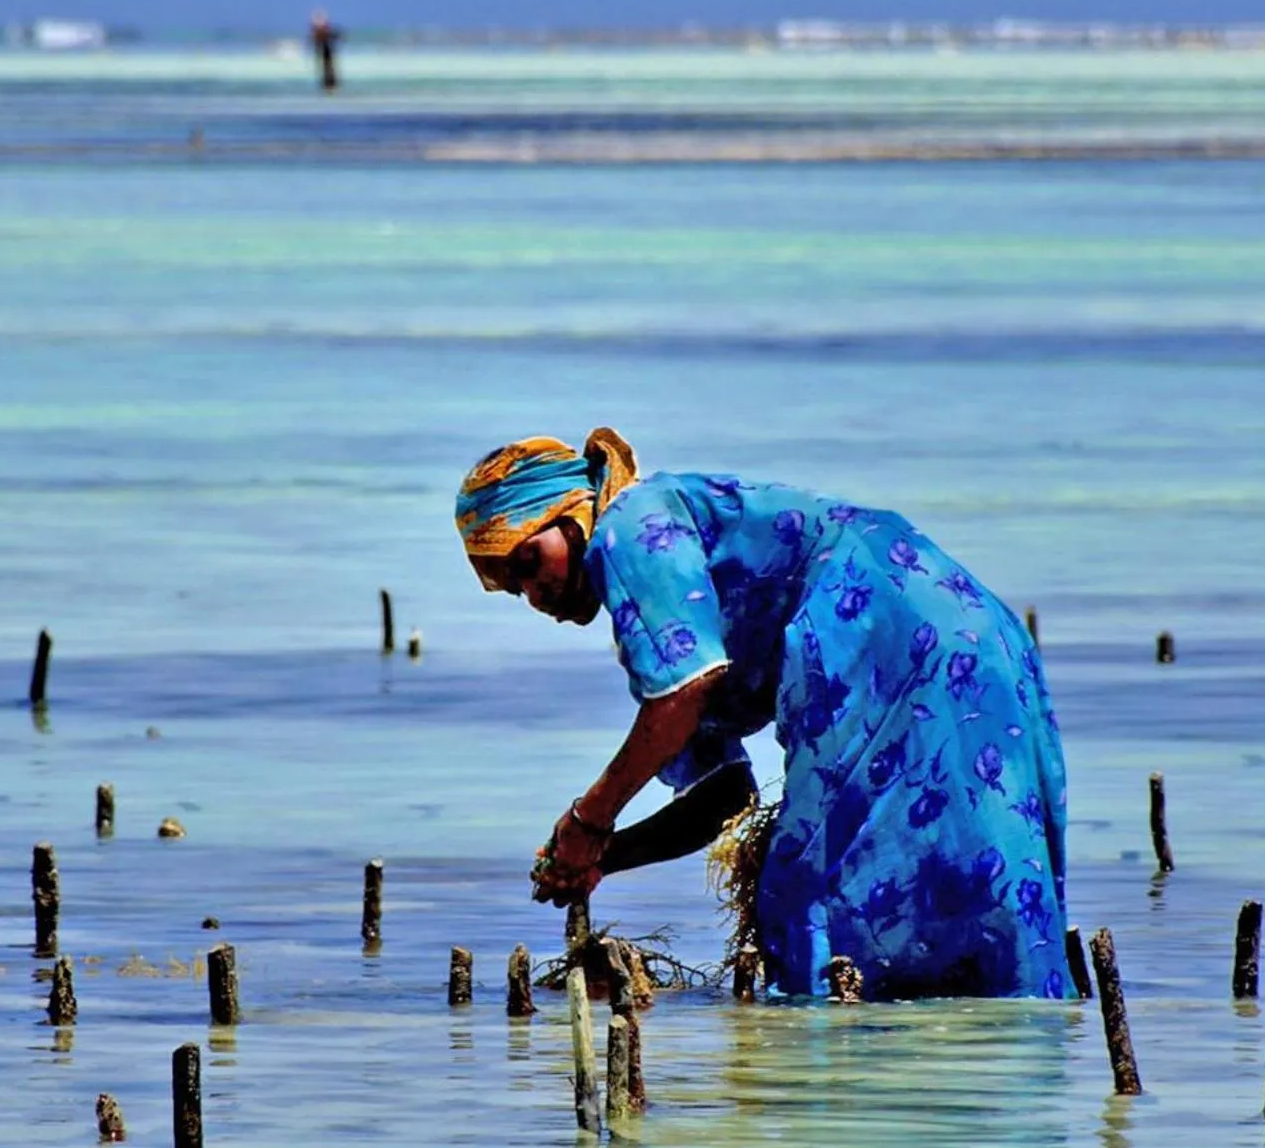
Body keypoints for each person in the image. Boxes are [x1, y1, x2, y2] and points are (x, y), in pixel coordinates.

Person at [455, 428, 1072, 1001]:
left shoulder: (629, 530)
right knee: (976, 878)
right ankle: (973, 1076)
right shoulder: (671, 607)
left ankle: (845, 1081)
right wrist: (604, 856)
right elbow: (724, 797)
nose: (534, 596)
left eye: (530, 562)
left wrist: (589, 820)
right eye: (514, 589)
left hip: (880, 626)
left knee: (814, 900)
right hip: (971, 628)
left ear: (572, 515)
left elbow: (680, 696)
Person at [308, 9, 341, 92]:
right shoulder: (318, 31)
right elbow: (314, 40)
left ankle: (330, 85)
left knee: (329, 69)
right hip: (322, 52)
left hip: (327, 51)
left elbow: (335, 36)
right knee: (325, 69)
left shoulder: (324, 31)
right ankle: (328, 86)